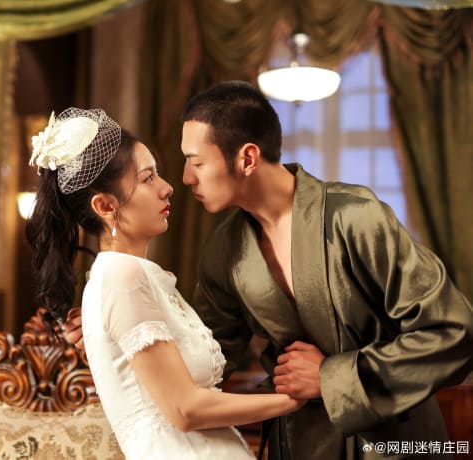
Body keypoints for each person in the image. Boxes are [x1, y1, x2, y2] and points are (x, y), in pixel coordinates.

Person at [65, 81, 473, 459]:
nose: (184, 179)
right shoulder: (223, 251)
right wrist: (117, 331)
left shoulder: (355, 218)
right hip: (301, 446)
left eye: (196, 162)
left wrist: (332, 379)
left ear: (247, 158)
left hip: (399, 442)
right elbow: (205, 356)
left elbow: (454, 330)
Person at [25, 107, 305, 460]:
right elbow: (185, 410)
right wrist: (294, 399)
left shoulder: (134, 276)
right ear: (105, 206)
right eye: (148, 178)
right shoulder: (122, 277)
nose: (168, 187)